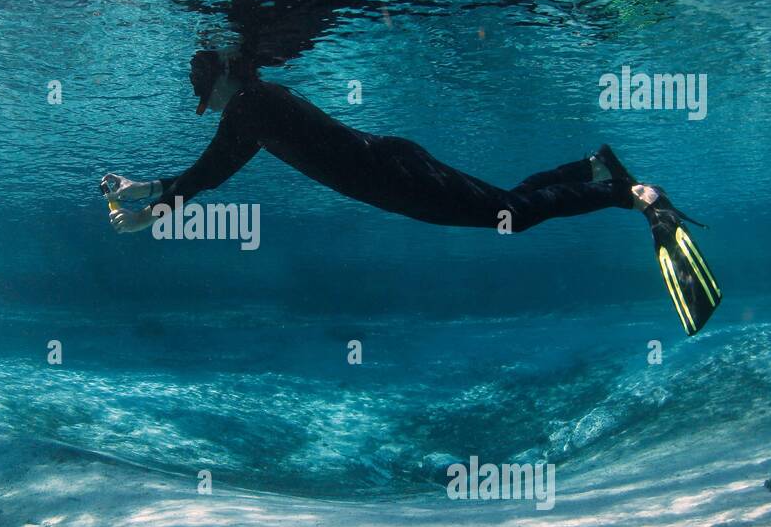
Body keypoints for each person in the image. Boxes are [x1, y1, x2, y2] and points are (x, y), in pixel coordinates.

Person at [102, 49, 721, 334]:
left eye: (203, 93)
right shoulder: (254, 110)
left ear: (227, 78)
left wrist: (149, 213)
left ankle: (629, 194)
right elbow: (212, 166)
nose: (202, 106)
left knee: (512, 215)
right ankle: (592, 168)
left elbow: (211, 172)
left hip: (395, 177)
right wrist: (146, 188)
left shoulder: (253, 108)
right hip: (393, 169)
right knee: (507, 206)